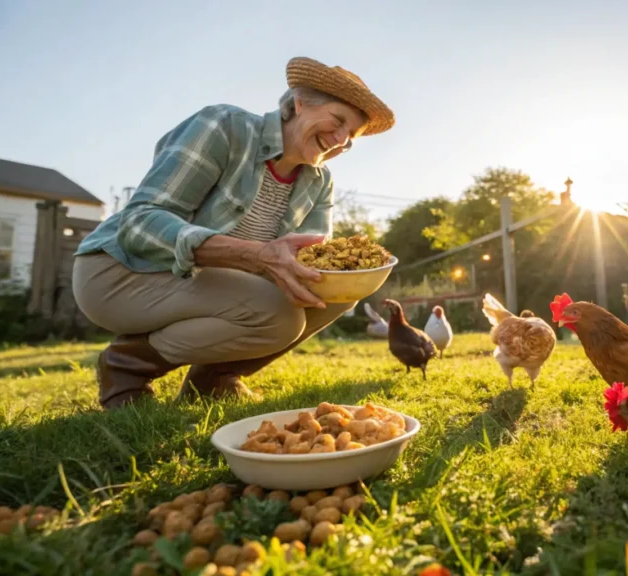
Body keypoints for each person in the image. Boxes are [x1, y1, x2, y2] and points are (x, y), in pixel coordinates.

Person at [72, 57, 395, 410]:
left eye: (350, 138)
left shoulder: (320, 183)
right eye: (338, 121)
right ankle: (126, 366)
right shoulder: (224, 126)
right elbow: (140, 222)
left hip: (205, 283)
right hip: (121, 271)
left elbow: (315, 263)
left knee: (336, 292)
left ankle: (214, 380)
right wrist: (254, 255)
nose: (340, 141)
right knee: (278, 316)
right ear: (300, 103)